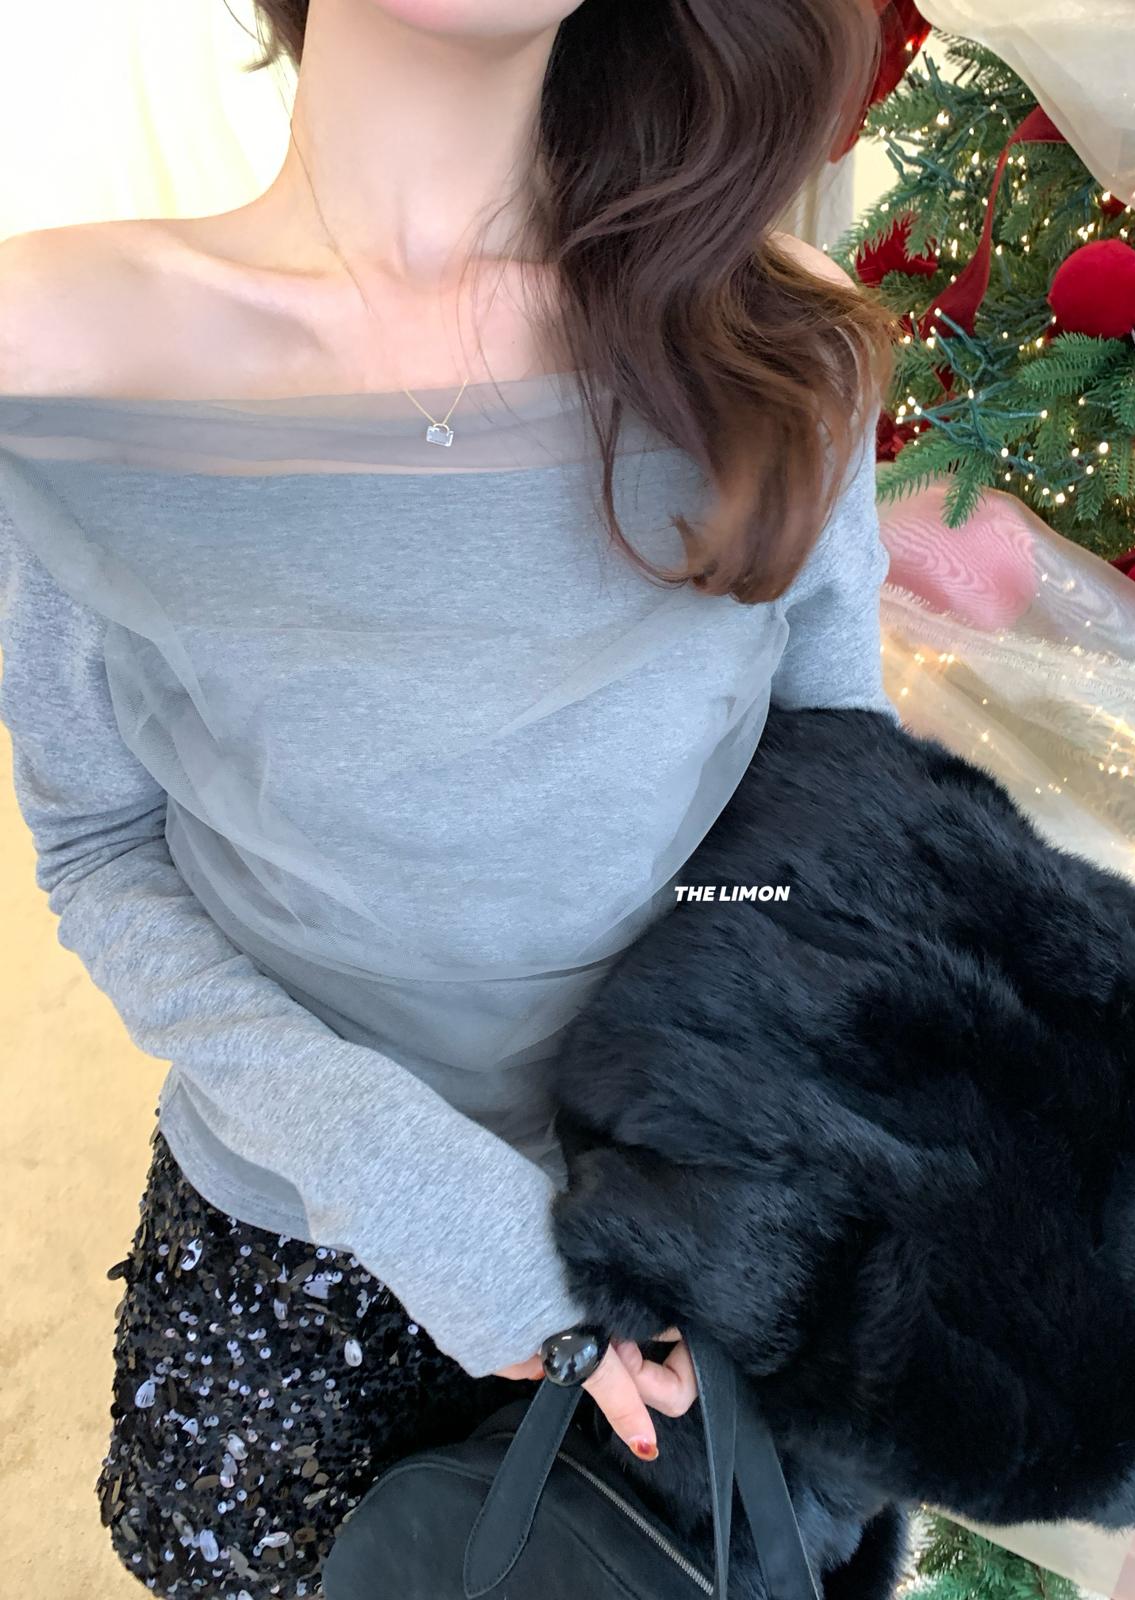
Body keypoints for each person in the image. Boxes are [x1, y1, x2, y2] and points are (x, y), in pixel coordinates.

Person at [0, 0, 896, 1593]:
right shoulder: (54, 347)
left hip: (680, 1232)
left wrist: (739, 1120)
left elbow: (828, 792)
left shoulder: (771, 332)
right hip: (295, 1244)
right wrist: (428, 1199)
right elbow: (99, 844)